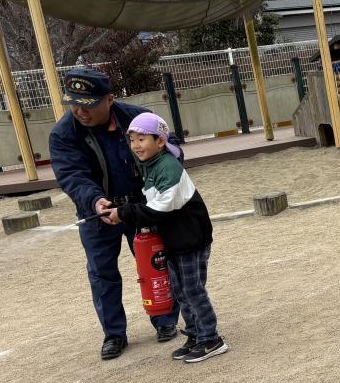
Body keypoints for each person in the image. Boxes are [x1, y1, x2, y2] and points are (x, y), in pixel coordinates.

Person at [48, 66, 181, 361]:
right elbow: (71, 175)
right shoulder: (62, 134)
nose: (79, 112)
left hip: (138, 206)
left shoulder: (138, 118)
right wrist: (95, 201)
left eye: (88, 105)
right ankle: (114, 334)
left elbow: (170, 149)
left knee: (155, 262)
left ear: (109, 100)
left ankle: (165, 318)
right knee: (101, 272)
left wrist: (158, 188)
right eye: (73, 104)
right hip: (97, 212)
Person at [102, 113, 225, 363]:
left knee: (193, 289)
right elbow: (149, 200)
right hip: (174, 239)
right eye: (132, 140)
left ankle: (211, 339)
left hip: (191, 239)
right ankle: (195, 334)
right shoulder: (150, 164)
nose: (136, 145)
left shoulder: (168, 166)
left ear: (160, 141)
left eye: (142, 139)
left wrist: (123, 214)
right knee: (179, 290)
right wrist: (121, 208)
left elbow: (161, 208)